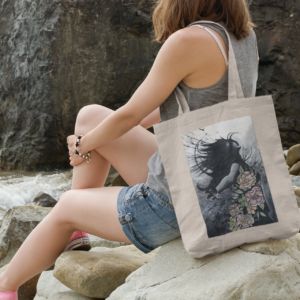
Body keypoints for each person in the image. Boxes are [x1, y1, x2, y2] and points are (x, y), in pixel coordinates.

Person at [0, 0, 258, 298]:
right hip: (228, 197)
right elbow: (162, 109)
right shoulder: (243, 37)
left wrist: (83, 146)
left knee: (68, 203)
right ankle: (74, 231)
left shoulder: (187, 40)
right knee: (90, 116)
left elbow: (130, 115)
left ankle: (7, 284)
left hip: (179, 207)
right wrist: (93, 136)